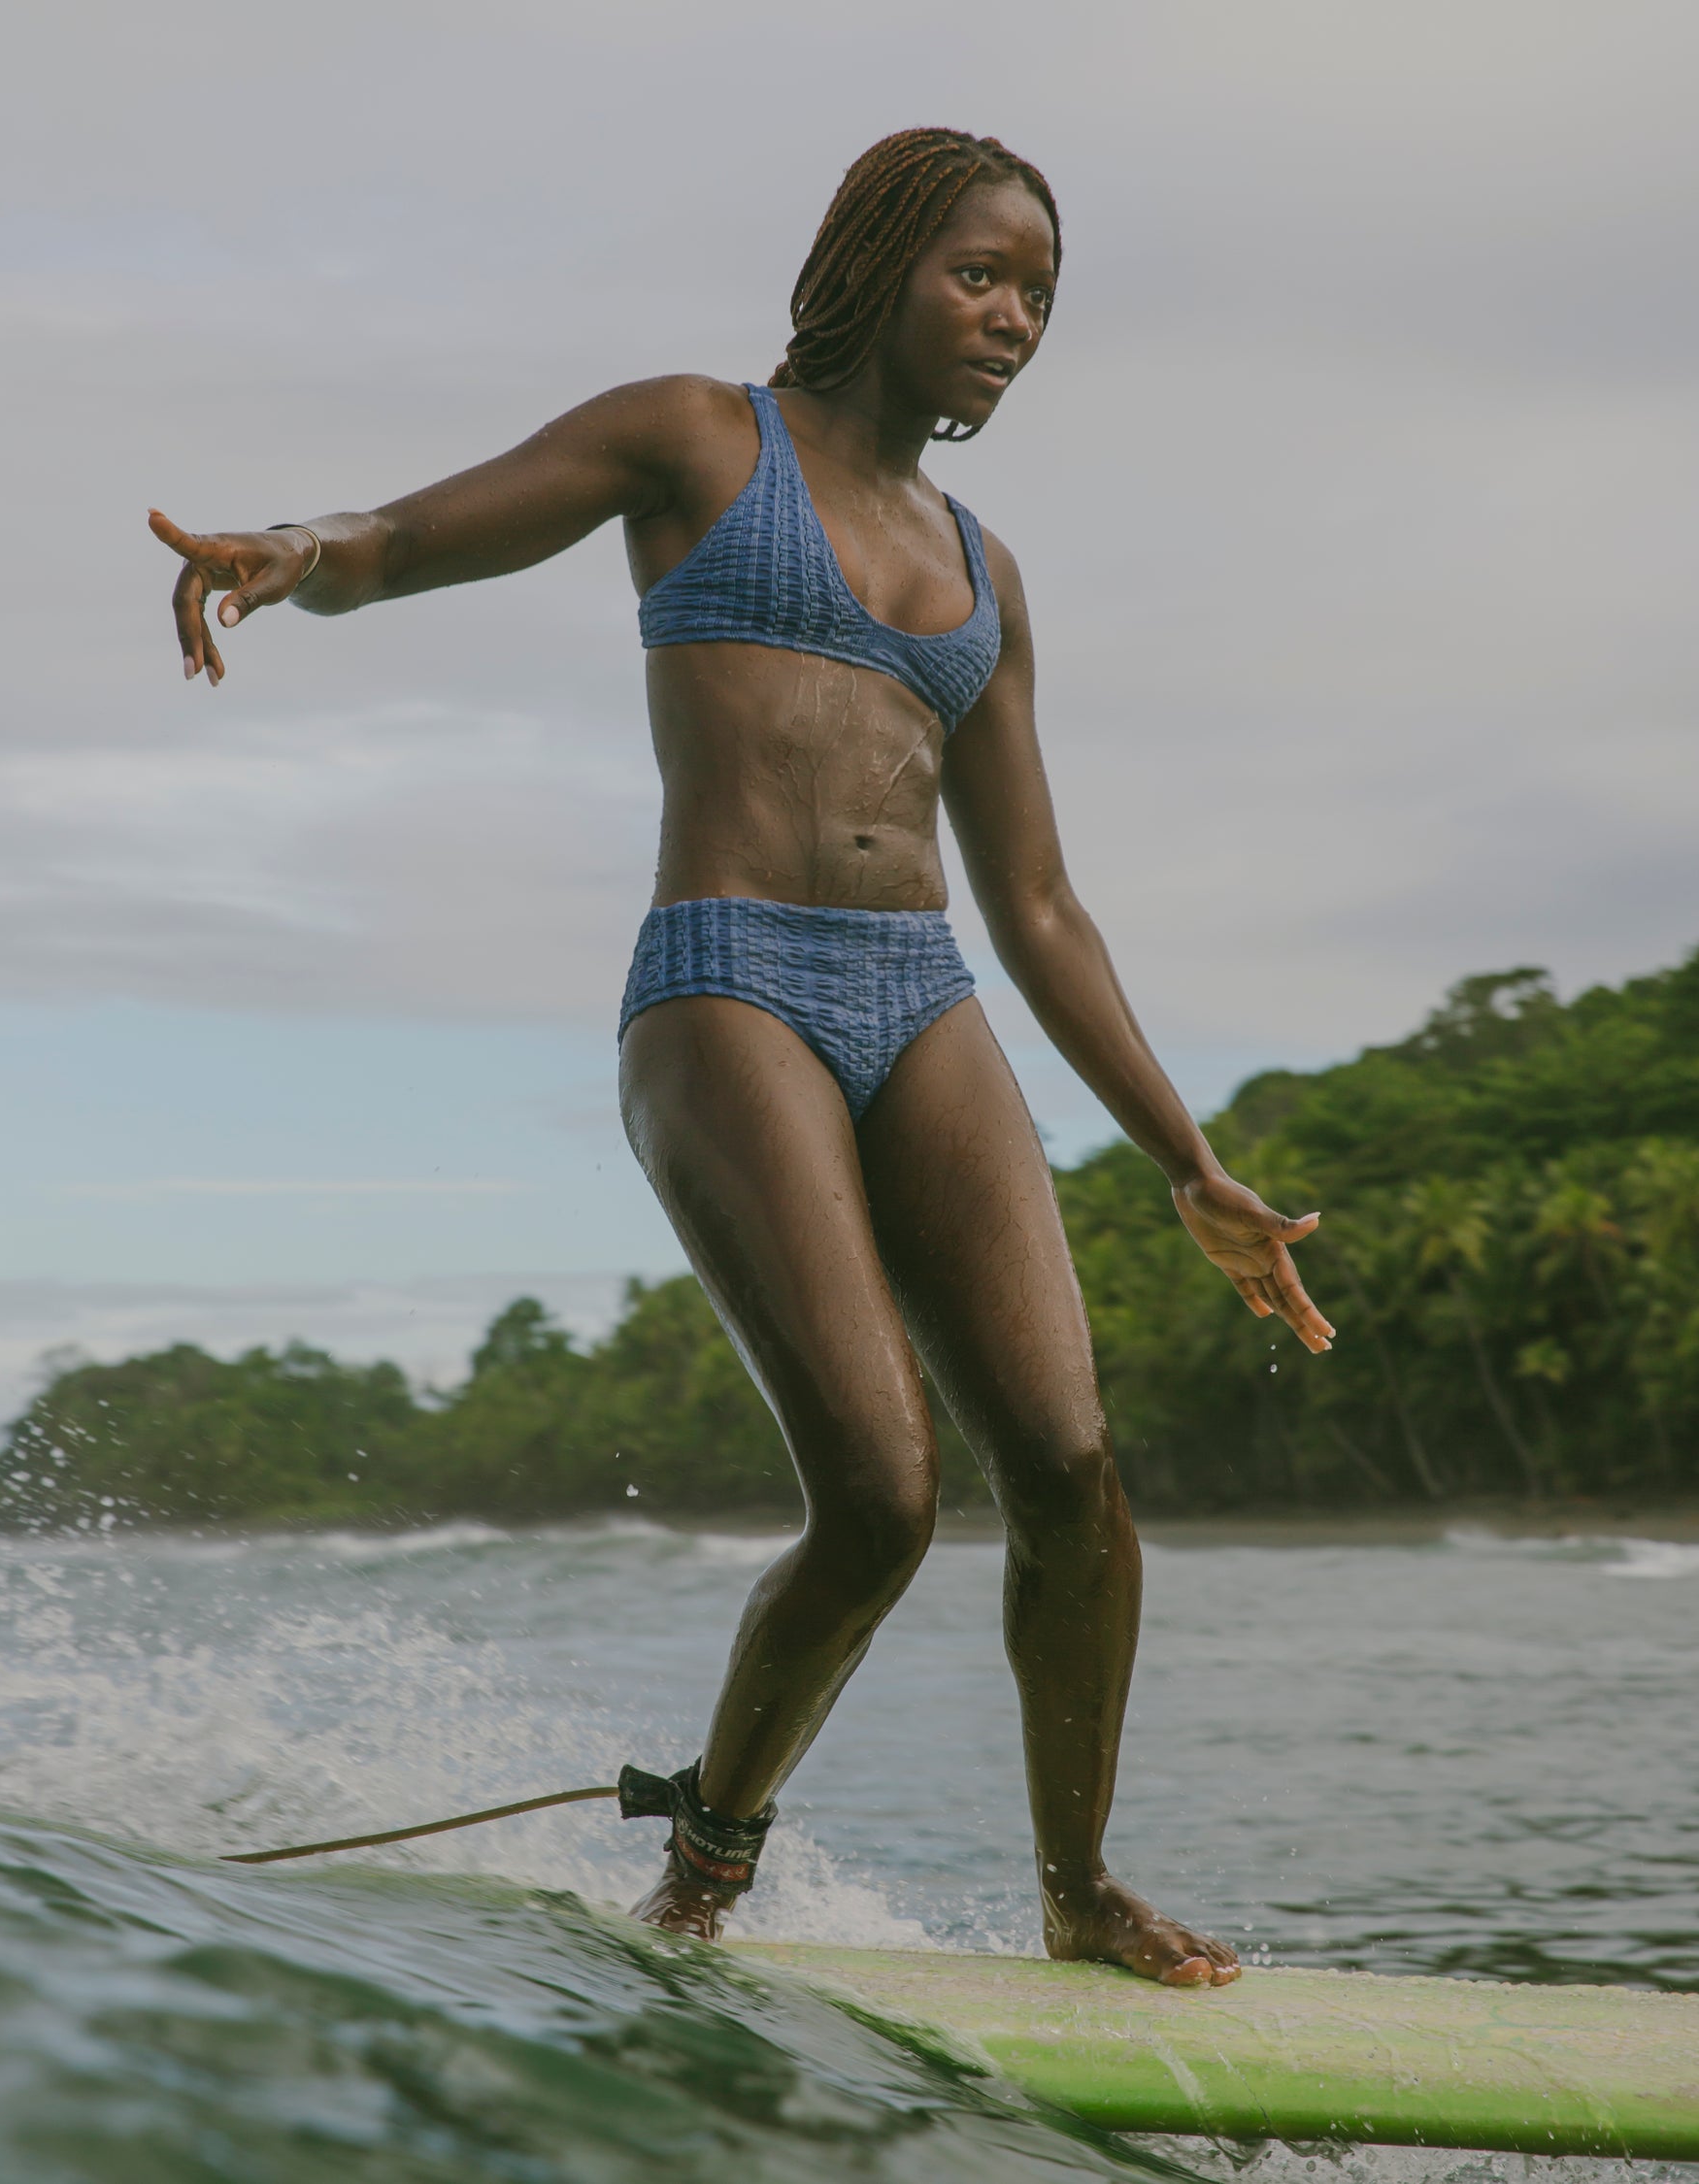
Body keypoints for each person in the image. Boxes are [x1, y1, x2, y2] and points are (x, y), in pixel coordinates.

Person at [150, 127, 1333, 1988]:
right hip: (725, 987)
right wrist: (288, 552)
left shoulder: (986, 569)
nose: (1014, 318)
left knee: (1074, 1466)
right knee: (878, 1488)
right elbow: (400, 540)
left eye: (1039, 293)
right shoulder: (699, 440)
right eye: (979, 274)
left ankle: (1077, 1889)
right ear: (873, 263)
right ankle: (706, 1871)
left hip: (917, 985)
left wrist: (1187, 1159)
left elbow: (1035, 901)